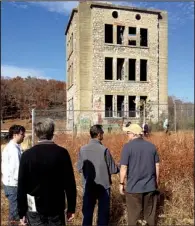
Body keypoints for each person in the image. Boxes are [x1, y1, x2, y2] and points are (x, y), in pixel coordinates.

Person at [17, 118, 77, 226]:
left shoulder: (27, 155)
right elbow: (70, 183)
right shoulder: (62, 153)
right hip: (56, 206)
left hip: (33, 207)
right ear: (52, 132)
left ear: (36, 133)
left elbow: (21, 186)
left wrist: (21, 212)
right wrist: (71, 208)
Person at [77, 124, 119, 226]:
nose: (103, 134)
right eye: (103, 133)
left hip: (88, 185)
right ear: (99, 134)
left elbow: (79, 168)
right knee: (103, 215)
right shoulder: (104, 150)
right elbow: (113, 169)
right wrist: (120, 166)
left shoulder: (82, 149)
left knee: (87, 214)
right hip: (103, 186)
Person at [119, 123, 160, 226]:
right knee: (150, 218)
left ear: (133, 134)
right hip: (150, 187)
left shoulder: (127, 147)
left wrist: (121, 183)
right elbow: (157, 166)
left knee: (133, 218)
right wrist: (156, 182)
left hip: (133, 188)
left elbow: (123, 167)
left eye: (128, 133)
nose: (127, 135)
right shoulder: (151, 146)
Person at [1, 125, 26, 226]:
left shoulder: (15, 147)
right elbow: (16, 170)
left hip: (10, 184)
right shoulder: (13, 150)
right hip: (13, 185)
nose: (24, 136)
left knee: (14, 211)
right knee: (15, 213)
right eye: (22, 134)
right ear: (15, 135)